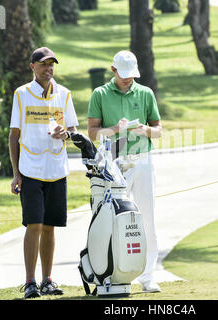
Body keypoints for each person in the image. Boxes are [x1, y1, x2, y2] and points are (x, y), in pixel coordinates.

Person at [87, 50, 163, 293]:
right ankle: (116, 275)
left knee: (147, 219)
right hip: (113, 163)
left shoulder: (146, 93)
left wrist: (145, 131)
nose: (128, 79)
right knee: (111, 221)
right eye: (123, 75)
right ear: (113, 70)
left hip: (142, 160)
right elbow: (92, 133)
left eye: (131, 75)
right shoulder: (99, 94)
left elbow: (159, 129)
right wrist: (114, 129)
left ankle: (148, 277)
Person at [9, 47, 79, 299]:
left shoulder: (64, 94)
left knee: (50, 226)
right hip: (30, 170)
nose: (48, 68)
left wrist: (67, 134)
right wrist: (16, 173)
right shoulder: (21, 94)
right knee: (34, 224)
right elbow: (14, 136)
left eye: (52, 64)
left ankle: (47, 279)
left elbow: (72, 129)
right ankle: (30, 282)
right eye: (43, 64)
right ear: (33, 67)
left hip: (57, 170)